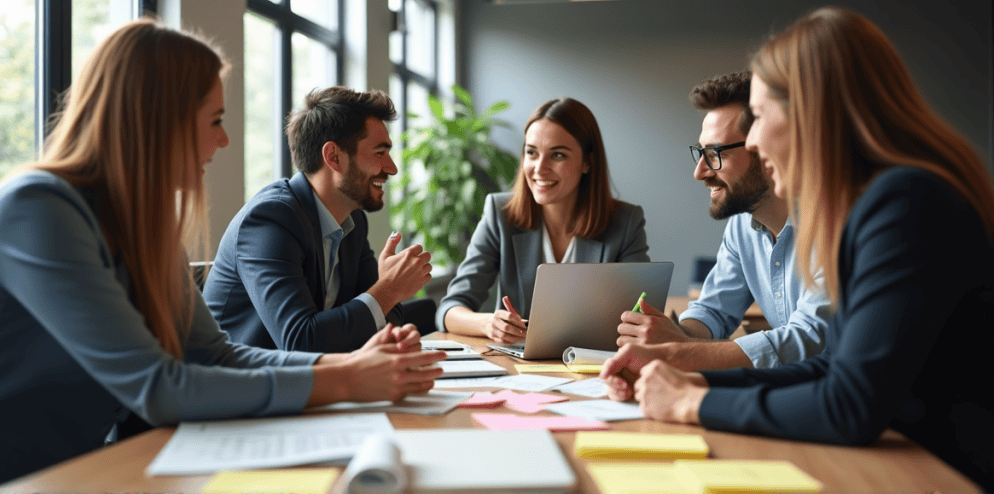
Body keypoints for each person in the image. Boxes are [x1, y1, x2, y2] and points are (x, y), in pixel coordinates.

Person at [0, 20, 445, 489]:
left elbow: (213, 354)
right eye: (215, 121)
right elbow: (158, 386)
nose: (224, 141)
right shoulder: (37, 210)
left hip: (84, 467)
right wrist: (346, 380)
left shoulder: (145, 226)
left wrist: (352, 367)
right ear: (157, 121)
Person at [601, 7, 994, 489]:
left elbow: (849, 404)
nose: (758, 140)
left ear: (812, 116)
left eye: (761, 117)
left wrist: (691, 402)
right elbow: (832, 368)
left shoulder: (903, 203)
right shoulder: (887, 201)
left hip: (944, 473)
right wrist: (693, 377)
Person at [616, 72, 830, 370]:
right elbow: (713, 311)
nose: (700, 172)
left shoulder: (832, 222)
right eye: (701, 153)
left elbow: (810, 340)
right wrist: (669, 335)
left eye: (715, 153)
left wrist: (679, 350)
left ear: (763, 146)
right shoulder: (743, 224)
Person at [203, 87, 432, 353]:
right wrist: (389, 288)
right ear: (333, 156)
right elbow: (300, 340)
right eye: (380, 153)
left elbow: (383, 319)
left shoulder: (353, 221)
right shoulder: (270, 221)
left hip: (315, 385)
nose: (392, 168)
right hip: (240, 389)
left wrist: (389, 306)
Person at [436, 97, 650, 342]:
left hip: (594, 368)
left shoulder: (625, 222)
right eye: (531, 153)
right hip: (519, 370)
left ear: (587, 162)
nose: (539, 168)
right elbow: (450, 309)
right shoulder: (500, 214)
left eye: (557, 155)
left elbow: (641, 316)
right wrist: (488, 323)